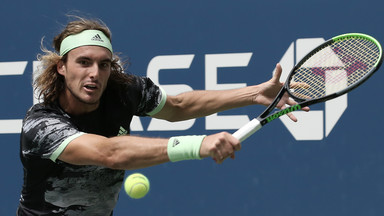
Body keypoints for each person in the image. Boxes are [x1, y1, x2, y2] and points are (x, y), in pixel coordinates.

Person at [17, 16, 307, 215]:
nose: (94, 73)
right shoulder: (41, 126)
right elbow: (109, 153)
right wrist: (198, 145)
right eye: (83, 62)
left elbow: (179, 106)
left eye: (104, 64)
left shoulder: (126, 92)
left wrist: (255, 94)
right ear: (61, 67)